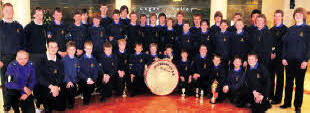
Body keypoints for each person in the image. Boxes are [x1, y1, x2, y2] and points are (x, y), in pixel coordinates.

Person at [280, 7, 310, 113]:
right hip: (289, 61)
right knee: (288, 83)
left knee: (299, 84)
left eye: (300, 15)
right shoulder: (290, 29)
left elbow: (309, 47)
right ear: (294, 16)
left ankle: (297, 105)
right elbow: (285, 45)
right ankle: (287, 102)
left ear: (303, 16)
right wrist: (283, 57)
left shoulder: (308, 29)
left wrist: (306, 60)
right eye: (296, 15)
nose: (298, 16)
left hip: (301, 62)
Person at [0, 3, 25, 111]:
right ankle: (7, 105)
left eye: (11, 10)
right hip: (4, 59)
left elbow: (23, 44)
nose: (9, 12)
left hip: (17, 59)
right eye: (7, 10)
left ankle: (18, 102)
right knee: (6, 84)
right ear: (2, 12)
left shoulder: (18, 26)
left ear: (13, 12)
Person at [36, 40, 66, 113]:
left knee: (62, 108)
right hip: (45, 86)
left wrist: (56, 87)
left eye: (55, 47)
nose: (53, 49)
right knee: (48, 109)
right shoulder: (40, 60)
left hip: (55, 86)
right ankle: (41, 102)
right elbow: (39, 77)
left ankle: (53, 101)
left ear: (57, 48)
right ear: (47, 48)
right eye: (51, 47)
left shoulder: (59, 61)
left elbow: (61, 76)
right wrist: (51, 87)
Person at [269, 9, 288, 105]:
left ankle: (278, 98)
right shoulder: (271, 30)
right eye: (275, 16)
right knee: (271, 77)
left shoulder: (286, 30)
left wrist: (276, 52)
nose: (276, 18)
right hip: (271, 58)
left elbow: (284, 45)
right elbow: (270, 44)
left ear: (282, 17)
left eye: (278, 16)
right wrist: (272, 52)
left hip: (280, 58)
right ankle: (271, 95)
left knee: (280, 78)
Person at [79, 41, 99, 105]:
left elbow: (96, 70)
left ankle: (88, 94)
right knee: (86, 100)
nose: (89, 50)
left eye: (90, 48)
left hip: (92, 79)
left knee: (90, 88)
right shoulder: (81, 59)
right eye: (87, 48)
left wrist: (93, 79)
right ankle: (83, 94)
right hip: (84, 79)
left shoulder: (94, 59)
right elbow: (79, 71)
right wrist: (87, 79)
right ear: (84, 49)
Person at [62, 41, 78, 109]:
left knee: (74, 88)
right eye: (70, 49)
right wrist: (68, 81)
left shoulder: (77, 60)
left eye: (73, 49)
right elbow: (64, 73)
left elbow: (78, 71)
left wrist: (76, 82)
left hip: (74, 80)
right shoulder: (64, 60)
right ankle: (69, 102)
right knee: (70, 88)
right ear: (67, 50)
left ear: (75, 50)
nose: (72, 51)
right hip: (66, 81)